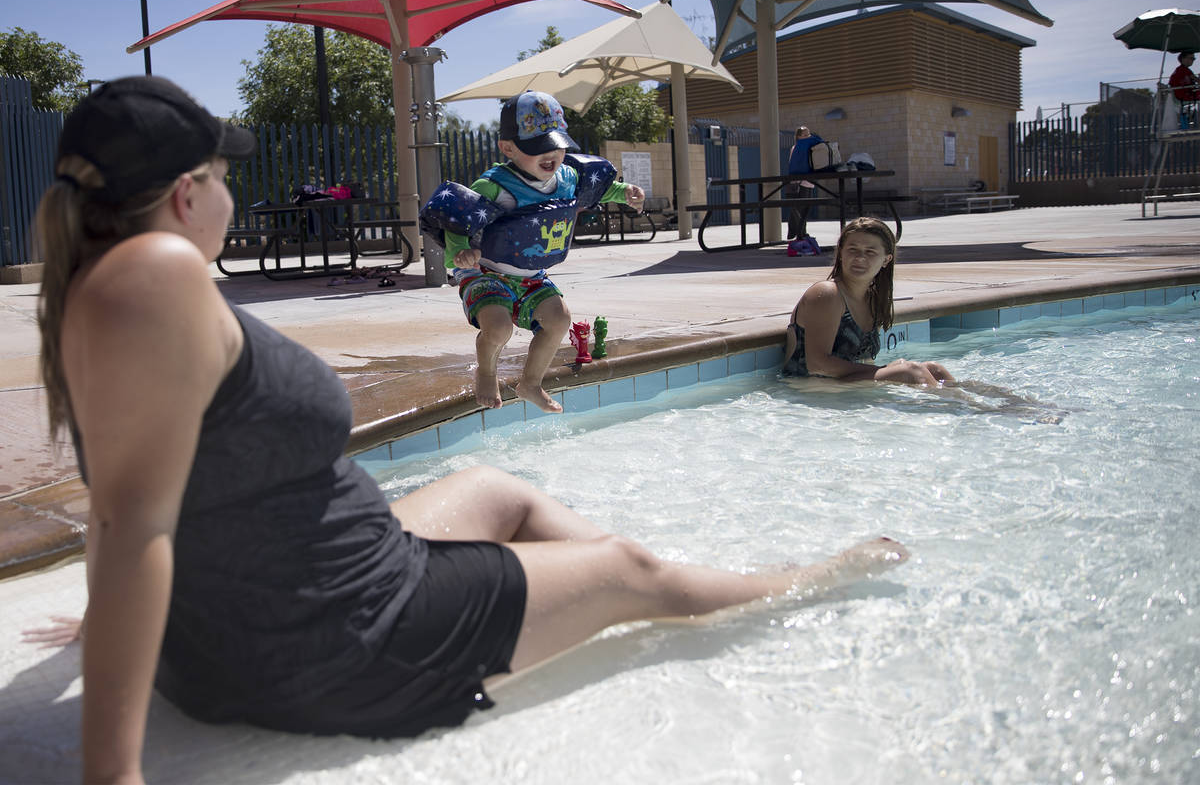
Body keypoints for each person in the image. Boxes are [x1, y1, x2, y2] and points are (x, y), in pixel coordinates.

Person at [28, 75, 909, 785]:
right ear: (187, 194)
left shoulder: (97, 285)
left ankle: (602, 585)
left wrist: (117, 611)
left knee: (496, 489)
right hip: (342, 636)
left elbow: (124, 495)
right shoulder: (157, 272)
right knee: (627, 573)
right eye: (225, 177)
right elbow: (132, 518)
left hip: (298, 594)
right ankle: (793, 580)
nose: (232, 192)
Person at [422, 90, 643, 414]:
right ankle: (486, 372)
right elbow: (458, 223)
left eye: (555, 143)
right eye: (538, 148)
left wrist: (625, 193)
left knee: (559, 318)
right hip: (486, 272)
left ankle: (531, 384)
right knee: (499, 328)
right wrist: (461, 253)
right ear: (508, 148)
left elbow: (600, 189)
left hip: (531, 276)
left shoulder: (568, 176)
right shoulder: (495, 186)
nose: (550, 154)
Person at [782, 216, 955, 385]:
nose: (860, 258)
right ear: (841, 253)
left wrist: (886, 370)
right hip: (810, 386)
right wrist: (887, 370)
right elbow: (817, 365)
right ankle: (956, 407)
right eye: (852, 250)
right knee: (910, 371)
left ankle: (970, 404)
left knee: (935, 369)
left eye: (870, 252)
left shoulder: (873, 298)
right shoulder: (828, 294)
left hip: (841, 384)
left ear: (886, 259)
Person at [784, 125, 823, 240]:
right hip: (799, 182)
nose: (807, 137)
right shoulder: (796, 148)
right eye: (804, 135)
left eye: (808, 134)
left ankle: (798, 232)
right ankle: (800, 232)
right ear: (799, 137)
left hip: (808, 182)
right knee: (799, 209)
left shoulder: (810, 147)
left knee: (804, 209)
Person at [1167, 50, 1199, 129]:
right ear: (1183, 59)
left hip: (1183, 94)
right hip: (1184, 95)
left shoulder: (1180, 70)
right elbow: (1196, 80)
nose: (1192, 61)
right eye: (1191, 58)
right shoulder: (1184, 70)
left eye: (1193, 59)